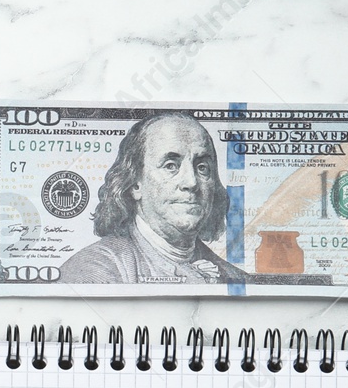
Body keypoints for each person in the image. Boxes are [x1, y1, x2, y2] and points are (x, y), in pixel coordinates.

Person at [59, 112, 250, 285]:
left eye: (202, 168)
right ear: (135, 184)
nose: (192, 182)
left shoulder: (236, 278)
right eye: (170, 166)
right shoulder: (92, 271)